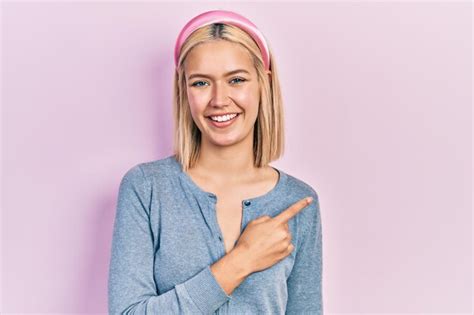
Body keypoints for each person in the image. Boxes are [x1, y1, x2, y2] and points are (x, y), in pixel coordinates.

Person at [108, 9, 323, 314]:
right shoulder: (147, 188)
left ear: (263, 83)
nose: (219, 99)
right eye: (201, 83)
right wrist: (240, 261)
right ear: (184, 90)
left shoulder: (298, 201)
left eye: (236, 80)